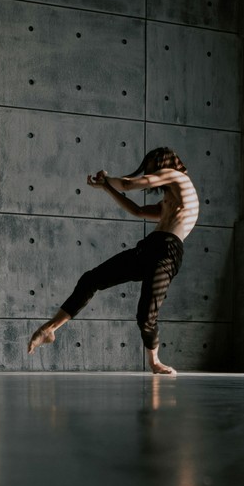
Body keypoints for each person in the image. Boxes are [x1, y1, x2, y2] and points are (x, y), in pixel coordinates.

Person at [27, 147, 200, 375]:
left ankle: (154, 362)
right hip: (149, 247)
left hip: (167, 251)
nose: (149, 172)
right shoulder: (172, 200)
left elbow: (128, 184)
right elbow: (138, 211)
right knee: (91, 279)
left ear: (162, 163)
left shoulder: (177, 176)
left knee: (146, 315)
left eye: (150, 166)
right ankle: (49, 329)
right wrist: (107, 187)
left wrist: (108, 179)